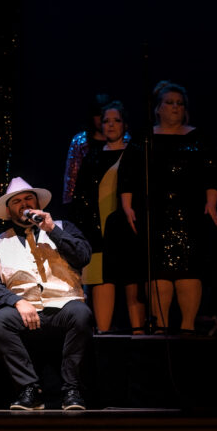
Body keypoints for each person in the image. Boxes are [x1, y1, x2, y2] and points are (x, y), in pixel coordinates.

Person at [0, 177, 93, 410]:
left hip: (65, 305)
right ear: (9, 210)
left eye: (28, 198)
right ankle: (29, 388)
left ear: (38, 204)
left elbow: (83, 256)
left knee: (82, 314)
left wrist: (52, 230)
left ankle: (72, 389)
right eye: (17, 201)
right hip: (26, 311)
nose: (24, 204)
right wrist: (16, 301)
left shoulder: (63, 227)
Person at [119, 81, 217, 332]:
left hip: (191, 213)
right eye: (170, 103)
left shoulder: (198, 137)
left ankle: (188, 329)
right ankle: (161, 329)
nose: (175, 107)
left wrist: (211, 202)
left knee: (189, 271)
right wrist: (128, 207)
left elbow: (211, 172)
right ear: (158, 108)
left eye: (180, 103)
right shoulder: (144, 138)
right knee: (159, 272)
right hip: (154, 213)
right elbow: (128, 174)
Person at [70, 101, 145, 332]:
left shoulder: (136, 154)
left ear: (125, 124)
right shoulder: (92, 158)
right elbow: (81, 197)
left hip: (129, 231)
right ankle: (103, 337)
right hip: (99, 233)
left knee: (133, 282)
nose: (111, 125)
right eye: (106, 121)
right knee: (103, 280)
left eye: (116, 120)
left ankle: (140, 337)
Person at [62, 93, 121, 205]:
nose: (102, 118)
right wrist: (69, 203)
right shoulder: (81, 141)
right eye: (97, 114)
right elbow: (71, 178)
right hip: (89, 201)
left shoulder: (126, 141)